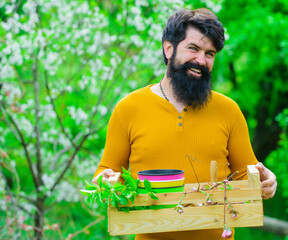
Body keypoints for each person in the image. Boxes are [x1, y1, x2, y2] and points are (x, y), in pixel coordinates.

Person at [92, 8, 277, 240]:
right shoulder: (128, 109)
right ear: (168, 49)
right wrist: (104, 182)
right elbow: (106, 175)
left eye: (209, 53)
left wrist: (264, 181)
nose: (201, 60)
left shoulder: (228, 110)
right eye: (193, 48)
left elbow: (246, 178)